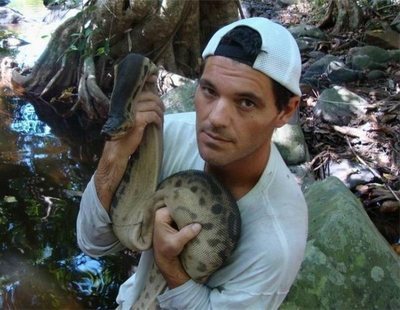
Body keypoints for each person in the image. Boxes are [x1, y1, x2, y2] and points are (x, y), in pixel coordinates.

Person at [77, 17, 308, 309]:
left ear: (286, 110)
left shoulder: (277, 239)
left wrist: (171, 267)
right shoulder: (170, 135)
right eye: (209, 91)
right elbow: (92, 243)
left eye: (246, 102)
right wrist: (114, 156)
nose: (215, 119)